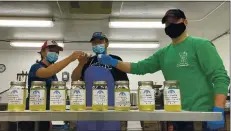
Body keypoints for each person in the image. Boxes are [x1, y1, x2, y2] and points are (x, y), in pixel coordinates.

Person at [97, 9, 230, 131]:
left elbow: (220, 77)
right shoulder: (163, 53)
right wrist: (114, 62)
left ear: (185, 22)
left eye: (174, 20)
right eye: (167, 23)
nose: (170, 25)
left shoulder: (200, 45)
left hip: (202, 116)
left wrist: (218, 109)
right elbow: (139, 67)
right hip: (177, 115)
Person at [16, 40, 84, 131]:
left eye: (57, 52)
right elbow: (47, 72)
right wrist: (70, 58)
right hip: (33, 113)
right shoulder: (36, 67)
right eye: (51, 50)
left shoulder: (53, 74)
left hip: (45, 113)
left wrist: (81, 63)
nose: (55, 53)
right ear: (43, 52)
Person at [71, 32, 129, 131]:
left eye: (100, 41)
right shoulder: (88, 61)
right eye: (94, 43)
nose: (97, 44)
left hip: (110, 111)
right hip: (88, 110)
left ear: (107, 43)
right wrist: (81, 64)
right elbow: (74, 79)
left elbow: (124, 85)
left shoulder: (115, 59)